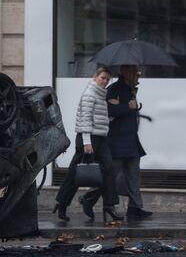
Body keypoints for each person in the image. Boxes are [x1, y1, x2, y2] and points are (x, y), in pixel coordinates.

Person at [54, 67, 123, 222]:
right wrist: (86, 142)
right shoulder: (89, 94)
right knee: (75, 174)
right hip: (88, 139)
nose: (105, 81)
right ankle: (62, 203)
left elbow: (98, 119)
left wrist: (113, 107)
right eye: (103, 78)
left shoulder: (101, 96)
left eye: (107, 79)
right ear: (95, 77)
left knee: (108, 171)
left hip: (101, 139)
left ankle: (109, 206)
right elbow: (85, 119)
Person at [83, 65, 152, 219]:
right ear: (126, 72)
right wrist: (127, 106)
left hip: (131, 141)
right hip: (117, 141)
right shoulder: (114, 89)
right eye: (135, 72)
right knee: (109, 176)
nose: (138, 75)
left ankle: (135, 207)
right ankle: (88, 198)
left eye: (138, 72)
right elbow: (106, 110)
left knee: (134, 176)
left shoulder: (131, 89)